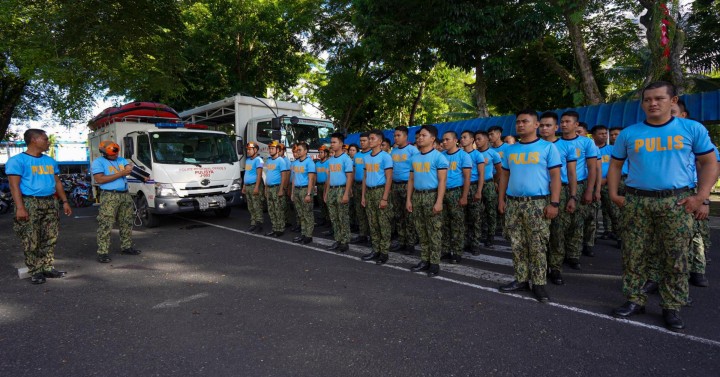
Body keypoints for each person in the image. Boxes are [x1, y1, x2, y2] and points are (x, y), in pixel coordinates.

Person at [608, 81, 717, 331]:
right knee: (634, 254)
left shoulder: (691, 129)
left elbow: (709, 163)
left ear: (673, 101)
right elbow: (615, 165)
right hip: (637, 201)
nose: (653, 103)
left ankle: (672, 305)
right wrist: (614, 194)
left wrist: (700, 196)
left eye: (659, 98)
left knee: (675, 257)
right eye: (647, 99)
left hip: (676, 201)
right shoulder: (630, 133)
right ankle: (635, 299)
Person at [498, 110, 562, 303]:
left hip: (537, 203)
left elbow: (556, 177)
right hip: (513, 202)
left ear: (536, 125)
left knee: (537, 245)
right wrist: (501, 199)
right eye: (518, 122)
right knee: (517, 243)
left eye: (525, 121)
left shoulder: (548, 148)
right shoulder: (510, 150)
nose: (520, 125)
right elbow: (504, 176)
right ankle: (521, 279)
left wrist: (554, 203)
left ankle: (539, 283)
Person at [7, 129, 72, 284]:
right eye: (45, 139)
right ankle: (35, 270)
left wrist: (65, 201)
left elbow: (57, 182)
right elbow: (14, 186)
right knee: (31, 238)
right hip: (30, 202)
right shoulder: (17, 161)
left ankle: (47, 267)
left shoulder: (50, 161)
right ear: (34, 140)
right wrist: (20, 208)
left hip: (50, 201)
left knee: (50, 236)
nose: (48, 142)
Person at [539, 112, 577, 286]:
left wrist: (572, 196)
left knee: (557, 232)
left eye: (548, 125)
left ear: (556, 127)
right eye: (542, 125)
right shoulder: (533, 146)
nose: (544, 128)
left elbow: (571, 173)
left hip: (559, 192)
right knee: (539, 233)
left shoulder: (566, 147)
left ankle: (555, 268)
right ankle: (540, 266)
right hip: (538, 193)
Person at [93, 139, 145, 263]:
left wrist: (141, 174)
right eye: (112, 153)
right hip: (110, 196)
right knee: (106, 223)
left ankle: (126, 247)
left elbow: (129, 168)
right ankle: (102, 252)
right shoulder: (98, 162)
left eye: (116, 152)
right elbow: (100, 179)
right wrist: (121, 173)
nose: (115, 155)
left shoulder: (121, 160)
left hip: (125, 194)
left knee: (126, 221)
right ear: (104, 152)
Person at [407, 125, 449, 277]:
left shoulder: (439, 157)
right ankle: (424, 259)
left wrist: (439, 201)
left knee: (434, 231)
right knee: (421, 229)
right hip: (417, 196)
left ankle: (434, 263)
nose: (419, 138)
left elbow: (442, 181)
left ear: (432, 139)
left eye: (423, 135)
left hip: (432, 196)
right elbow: (411, 180)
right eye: (418, 136)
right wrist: (409, 199)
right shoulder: (414, 158)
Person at [559, 111, 597, 269]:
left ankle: (574, 256)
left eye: (568, 121)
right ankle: (558, 255)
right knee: (560, 223)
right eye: (562, 121)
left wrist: (590, 190)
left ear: (576, 125)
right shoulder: (555, 143)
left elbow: (592, 167)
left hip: (580, 186)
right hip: (559, 186)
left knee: (578, 222)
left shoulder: (586, 143)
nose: (564, 124)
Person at [360, 130, 394, 264]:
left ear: (380, 142)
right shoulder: (366, 157)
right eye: (369, 138)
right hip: (369, 191)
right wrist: (363, 196)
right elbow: (365, 177)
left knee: (383, 223)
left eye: (372, 138)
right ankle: (375, 249)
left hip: (380, 191)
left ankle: (384, 252)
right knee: (372, 222)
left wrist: (385, 198)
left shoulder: (386, 157)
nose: (370, 141)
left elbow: (389, 177)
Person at [441, 131, 473, 264]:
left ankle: (457, 251)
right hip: (443, 192)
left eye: (447, 139)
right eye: (443, 140)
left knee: (457, 223)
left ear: (455, 140)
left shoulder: (463, 156)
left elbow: (467, 178)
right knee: (444, 222)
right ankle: (446, 250)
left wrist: (464, 196)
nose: (444, 142)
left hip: (456, 192)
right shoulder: (441, 156)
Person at [390, 126, 419, 254]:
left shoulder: (413, 150)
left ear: (406, 136)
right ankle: (402, 241)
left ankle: (410, 243)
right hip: (395, 186)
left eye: (398, 135)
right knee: (398, 215)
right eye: (395, 135)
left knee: (409, 215)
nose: (396, 138)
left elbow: (416, 170)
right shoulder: (394, 152)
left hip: (407, 185)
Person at [324, 133, 354, 252]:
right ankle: (338, 239)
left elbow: (349, 177)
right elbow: (329, 177)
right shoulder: (331, 160)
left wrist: (346, 193)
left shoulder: (346, 159)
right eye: (331, 142)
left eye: (334, 142)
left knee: (343, 217)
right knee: (334, 217)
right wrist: (326, 192)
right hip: (332, 190)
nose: (332, 144)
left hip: (342, 189)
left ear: (341, 143)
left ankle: (345, 241)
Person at [459, 130, 486, 254]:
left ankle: (475, 244)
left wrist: (479, 191)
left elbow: (481, 175)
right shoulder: (459, 154)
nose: (462, 139)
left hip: (474, 186)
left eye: (465, 137)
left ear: (471, 140)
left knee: (475, 217)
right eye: (461, 137)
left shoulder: (477, 155)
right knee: (463, 217)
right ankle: (464, 242)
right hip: (462, 187)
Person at [592, 125, 619, 240]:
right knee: (596, 211)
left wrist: (607, 179)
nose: (604, 135)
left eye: (605, 133)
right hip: (593, 185)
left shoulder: (612, 150)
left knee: (613, 211)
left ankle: (619, 235)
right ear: (593, 136)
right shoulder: (590, 149)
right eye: (601, 133)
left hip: (608, 184)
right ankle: (602, 233)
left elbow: (617, 167)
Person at [475, 131, 502, 248]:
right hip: (476, 185)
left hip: (489, 184)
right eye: (475, 139)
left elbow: (499, 171)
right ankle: (479, 233)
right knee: (477, 211)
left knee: (491, 211)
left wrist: (494, 181)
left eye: (479, 139)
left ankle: (490, 236)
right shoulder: (473, 154)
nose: (477, 141)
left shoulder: (493, 154)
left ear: (486, 140)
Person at [291, 142, 316, 244]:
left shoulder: (310, 163)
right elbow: (294, 179)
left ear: (305, 151)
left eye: (300, 150)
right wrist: (292, 193)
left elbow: (311, 179)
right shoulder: (296, 163)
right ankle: (303, 233)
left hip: (305, 190)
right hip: (297, 189)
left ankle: (308, 236)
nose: (298, 151)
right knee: (300, 214)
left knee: (307, 214)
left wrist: (309, 194)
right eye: (297, 150)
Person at [263, 141, 290, 237]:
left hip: (277, 187)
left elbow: (284, 176)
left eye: (272, 148)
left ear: (277, 150)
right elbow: (267, 175)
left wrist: (281, 189)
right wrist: (265, 188)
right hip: (269, 188)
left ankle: (280, 229)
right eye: (269, 148)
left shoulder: (281, 161)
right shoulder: (269, 160)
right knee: (271, 209)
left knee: (278, 209)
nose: (270, 150)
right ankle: (274, 228)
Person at [351, 133, 371, 244]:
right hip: (357, 185)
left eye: (364, 140)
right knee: (359, 211)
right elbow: (353, 171)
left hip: (367, 186)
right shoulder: (357, 156)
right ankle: (362, 234)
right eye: (361, 141)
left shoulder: (371, 155)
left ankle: (371, 236)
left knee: (369, 211)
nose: (362, 142)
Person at [243, 142, 264, 233]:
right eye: (247, 149)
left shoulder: (258, 160)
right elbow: (246, 173)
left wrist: (256, 187)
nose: (248, 151)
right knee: (250, 206)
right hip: (247, 186)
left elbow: (259, 175)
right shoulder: (247, 160)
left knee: (257, 206)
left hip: (254, 186)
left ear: (255, 150)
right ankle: (253, 223)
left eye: (249, 149)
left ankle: (259, 225)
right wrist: (244, 186)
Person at [315, 145, 330, 227]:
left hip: (326, 185)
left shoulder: (328, 162)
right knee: (321, 203)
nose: (319, 154)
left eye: (321, 152)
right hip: (319, 185)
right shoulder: (317, 164)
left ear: (326, 153)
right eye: (319, 152)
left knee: (326, 202)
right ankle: (324, 217)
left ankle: (329, 219)